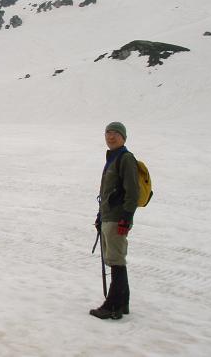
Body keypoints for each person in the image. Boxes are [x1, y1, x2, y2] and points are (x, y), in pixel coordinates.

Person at [90, 121, 139, 320]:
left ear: (123, 137)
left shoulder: (125, 158)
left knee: (116, 261)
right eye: (108, 133)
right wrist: (100, 216)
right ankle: (122, 303)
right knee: (116, 260)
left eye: (115, 134)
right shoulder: (113, 158)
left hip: (117, 218)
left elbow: (132, 192)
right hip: (109, 216)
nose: (110, 137)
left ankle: (112, 305)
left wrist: (126, 218)